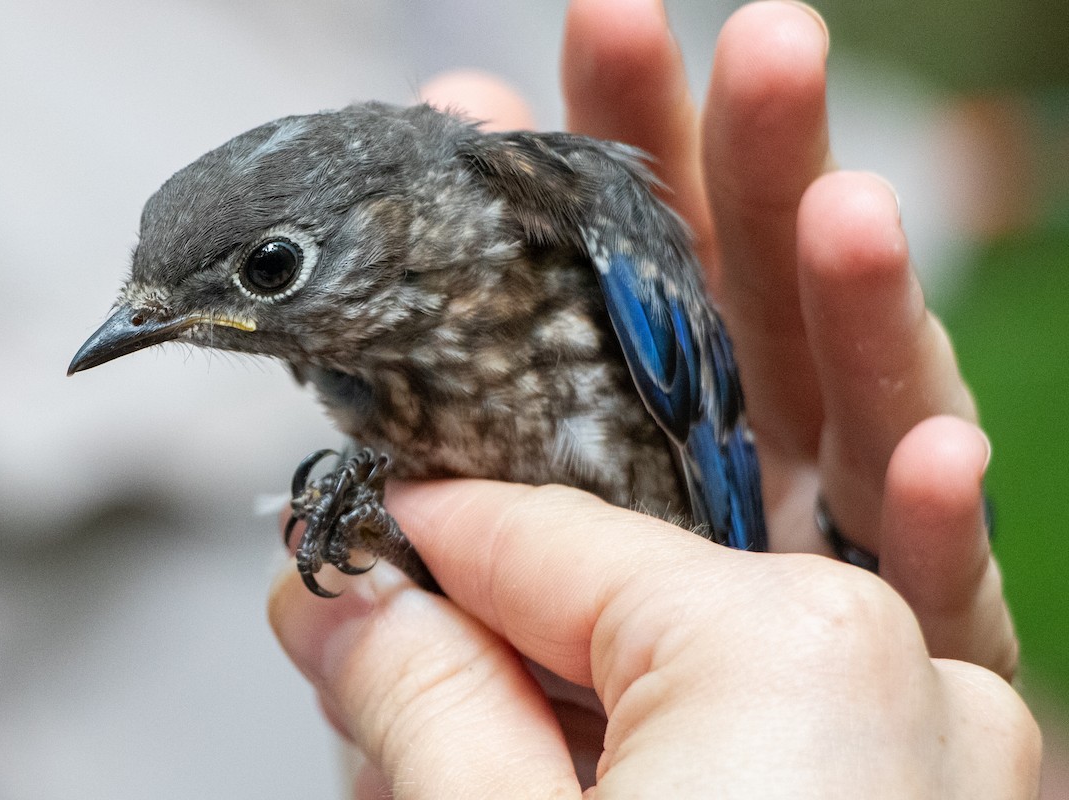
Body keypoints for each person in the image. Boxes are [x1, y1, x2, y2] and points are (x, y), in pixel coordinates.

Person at [268, 0, 1041, 795]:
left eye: (269, 271)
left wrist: (797, 632)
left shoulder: (558, 208)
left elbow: (707, 465)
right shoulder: (331, 330)